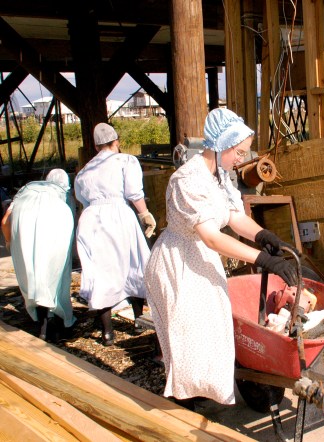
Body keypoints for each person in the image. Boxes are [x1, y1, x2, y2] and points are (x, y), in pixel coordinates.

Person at [144, 108, 297, 406]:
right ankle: (183, 399)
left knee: (211, 326)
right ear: (221, 145)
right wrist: (261, 259)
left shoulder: (219, 178)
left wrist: (263, 236)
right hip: (179, 261)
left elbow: (233, 216)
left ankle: (201, 389)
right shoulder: (187, 179)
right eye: (238, 152)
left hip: (201, 257)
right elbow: (212, 236)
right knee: (188, 330)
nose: (242, 158)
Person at [75, 123, 157, 346]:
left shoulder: (84, 171)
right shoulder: (125, 161)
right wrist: (144, 214)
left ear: (95, 145)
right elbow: (133, 192)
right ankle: (139, 321)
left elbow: (82, 199)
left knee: (100, 270)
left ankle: (107, 332)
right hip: (118, 214)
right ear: (116, 141)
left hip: (91, 219)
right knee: (134, 263)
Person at [1, 169, 76, 341]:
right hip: (55, 219)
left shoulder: (26, 193)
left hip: (24, 216)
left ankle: (42, 327)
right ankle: (63, 322)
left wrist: (9, 243)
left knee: (33, 275)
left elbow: (5, 220)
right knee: (57, 273)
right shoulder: (62, 195)